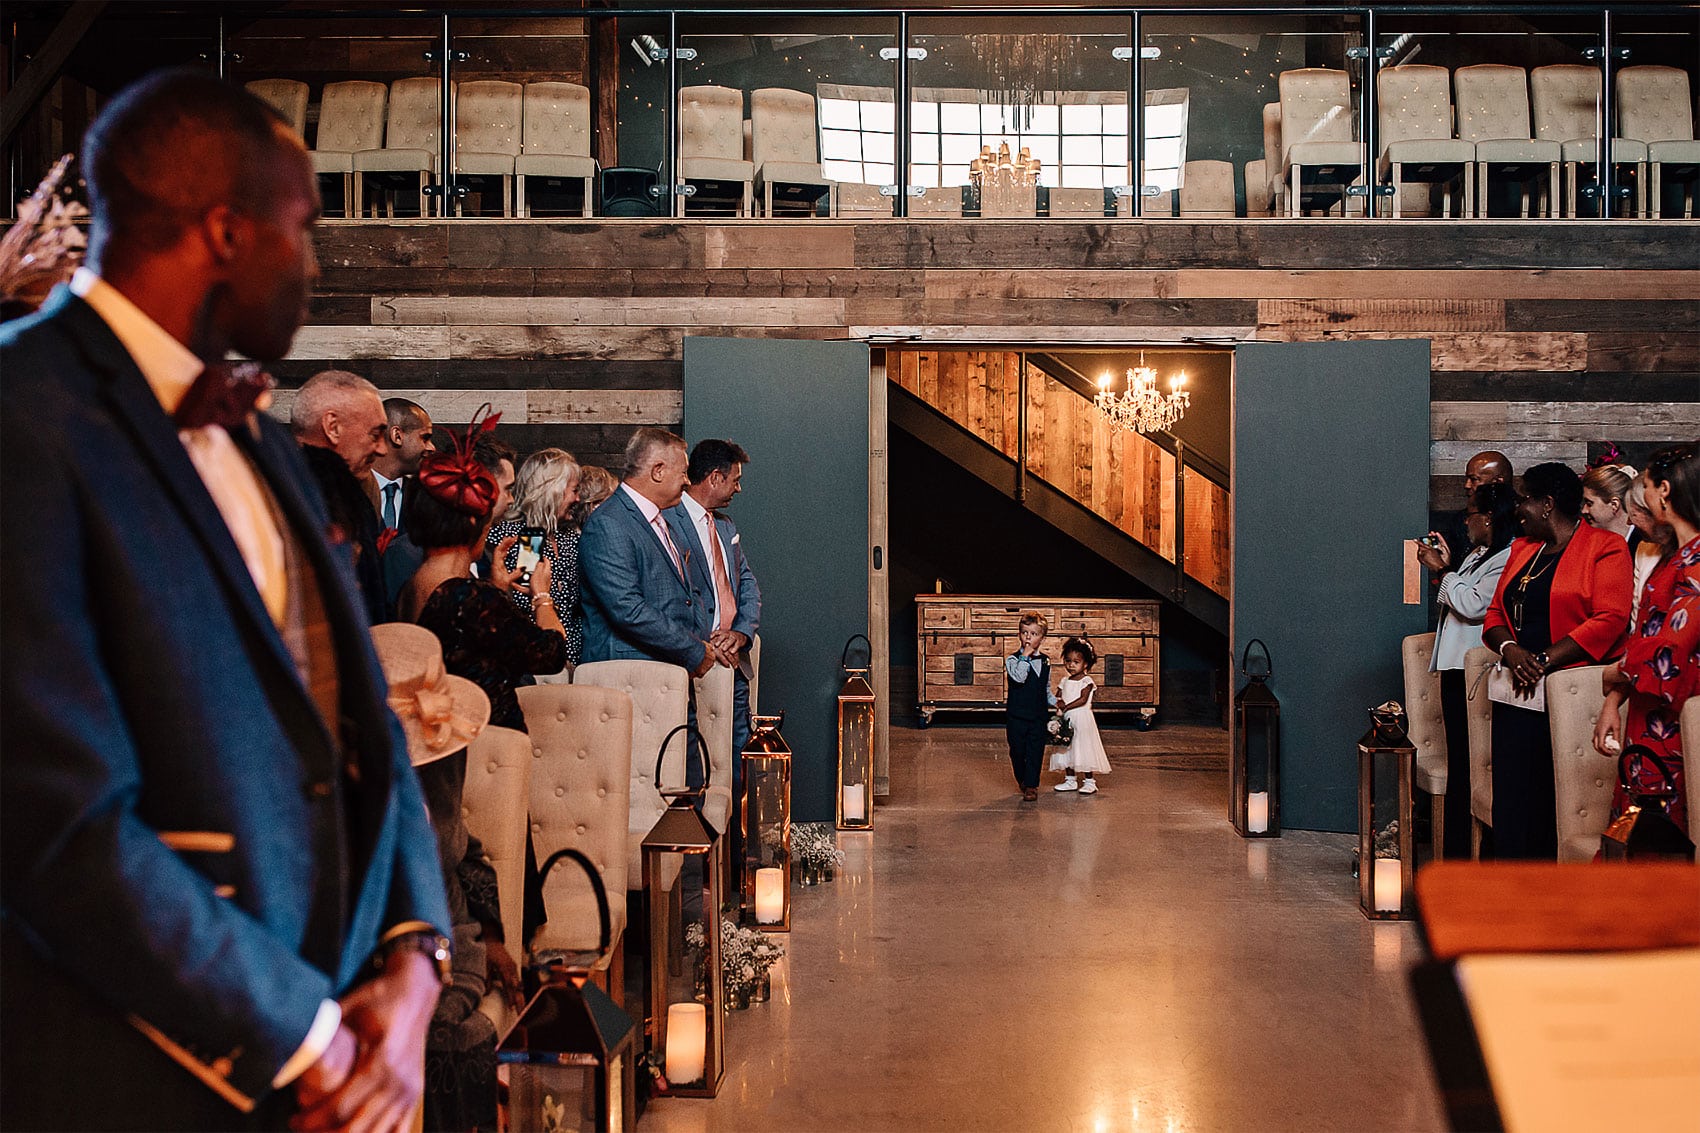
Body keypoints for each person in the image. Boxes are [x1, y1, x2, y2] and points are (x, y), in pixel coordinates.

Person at [0, 69, 448, 1130]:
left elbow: (356, 723)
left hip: (342, 1042)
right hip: (141, 1065)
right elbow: (49, 817)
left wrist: (413, 959)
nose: (314, 262)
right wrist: (303, 1029)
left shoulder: (251, 430)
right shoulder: (24, 416)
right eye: (304, 229)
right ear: (225, 230)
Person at [369, 624, 505, 1133]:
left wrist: (492, 935)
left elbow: (464, 846)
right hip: (378, 959)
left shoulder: (443, 762)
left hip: (453, 944)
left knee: (452, 1031)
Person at [1481, 462, 1633, 859]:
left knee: (1549, 800)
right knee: (1513, 798)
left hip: (1567, 692)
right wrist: (1512, 652)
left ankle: (1547, 902)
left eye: (1525, 500)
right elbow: (1495, 614)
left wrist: (1545, 659)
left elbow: (1611, 618)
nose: (1519, 509)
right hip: (1517, 692)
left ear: (1547, 504)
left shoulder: (1605, 547)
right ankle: (1508, 894)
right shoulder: (1522, 549)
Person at [397, 424, 570, 731]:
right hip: (485, 741)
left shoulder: (417, 583)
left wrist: (496, 588)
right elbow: (552, 653)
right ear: (474, 521)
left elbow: (469, 642)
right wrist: (542, 596)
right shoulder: (466, 596)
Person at [1594, 444, 1700, 838]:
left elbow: (1669, 652)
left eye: (1649, 485)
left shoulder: (1696, 562)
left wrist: (1616, 672)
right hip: (1648, 713)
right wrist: (1613, 699)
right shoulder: (1675, 555)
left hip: (1674, 721)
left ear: (1665, 492)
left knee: (1660, 843)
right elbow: (1646, 633)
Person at [1418, 481, 1518, 859]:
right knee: (1459, 762)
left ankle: (1460, 857)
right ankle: (1453, 856)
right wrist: (1448, 566)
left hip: (1473, 670)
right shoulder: (1479, 553)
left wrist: (1444, 572)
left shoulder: (1507, 556)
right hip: (1455, 666)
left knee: (1465, 765)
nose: (1465, 521)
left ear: (1489, 518)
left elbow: (1475, 605)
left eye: (1470, 513)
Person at [579, 428, 718, 676]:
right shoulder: (609, 523)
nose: (688, 481)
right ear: (658, 471)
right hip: (630, 676)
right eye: (684, 473)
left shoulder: (664, 522)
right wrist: (692, 649)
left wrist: (698, 643)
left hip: (671, 671)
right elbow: (627, 608)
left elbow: (689, 593)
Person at [669, 439, 763, 753]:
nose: (738, 489)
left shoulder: (725, 526)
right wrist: (706, 643)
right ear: (714, 478)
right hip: (690, 660)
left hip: (734, 660)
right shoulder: (668, 521)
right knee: (693, 755)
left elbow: (747, 584)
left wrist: (740, 633)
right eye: (735, 480)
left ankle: (735, 804)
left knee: (738, 749)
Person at [291, 368, 391, 622]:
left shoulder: (355, 491)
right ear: (332, 427)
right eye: (375, 434)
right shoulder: (295, 498)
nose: (382, 449)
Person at [487, 448, 585, 667]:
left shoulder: (570, 536)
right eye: (574, 490)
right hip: (536, 658)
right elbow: (525, 599)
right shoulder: (520, 538)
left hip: (576, 659)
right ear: (552, 491)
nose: (578, 498)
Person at [370, 398, 435, 605]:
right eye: (425, 438)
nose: (431, 447)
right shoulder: (350, 492)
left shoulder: (425, 498)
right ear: (397, 435)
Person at [1050, 637, 1110, 796]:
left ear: (1085, 664)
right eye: (1068, 661)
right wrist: (1059, 702)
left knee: (1083, 749)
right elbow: (1058, 696)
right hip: (1067, 719)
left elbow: (1083, 699)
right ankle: (1070, 779)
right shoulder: (1064, 681)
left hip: (1081, 719)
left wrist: (1066, 706)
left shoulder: (1086, 681)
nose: (1071, 665)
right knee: (1067, 747)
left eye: (1076, 662)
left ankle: (1090, 782)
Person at [1006, 613, 1055, 802]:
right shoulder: (1012, 660)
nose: (1028, 637)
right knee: (1017, 751)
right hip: (1017, 715)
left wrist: (1055, 702)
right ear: (1019, 634)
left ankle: (1032, 785)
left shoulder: (1046, 661)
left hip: (1038, 716)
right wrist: (1025, 657)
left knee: (1035, 750)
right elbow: (1019, 678)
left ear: (1042, 638)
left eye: (1034, 634)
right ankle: (1023, 779)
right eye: (1024, 632)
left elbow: (1045, 688)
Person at [1447, 450, 1514, 572]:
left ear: (1498, 482)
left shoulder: (1523, 519)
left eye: (1474, 479)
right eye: (1467, 478)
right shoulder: (1460, 520)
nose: (1466, 485)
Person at [1625, 476, 1676, 629]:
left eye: (1633, 514)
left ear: (1650, 510)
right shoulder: (1644, 549)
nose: (1629, 522)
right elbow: (1636, 617)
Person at [1580, 461, 1639, 547]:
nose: (1584, 511)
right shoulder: (1590, 542)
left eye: (1589, 504)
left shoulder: (1642, 544)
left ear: (1614, 505)